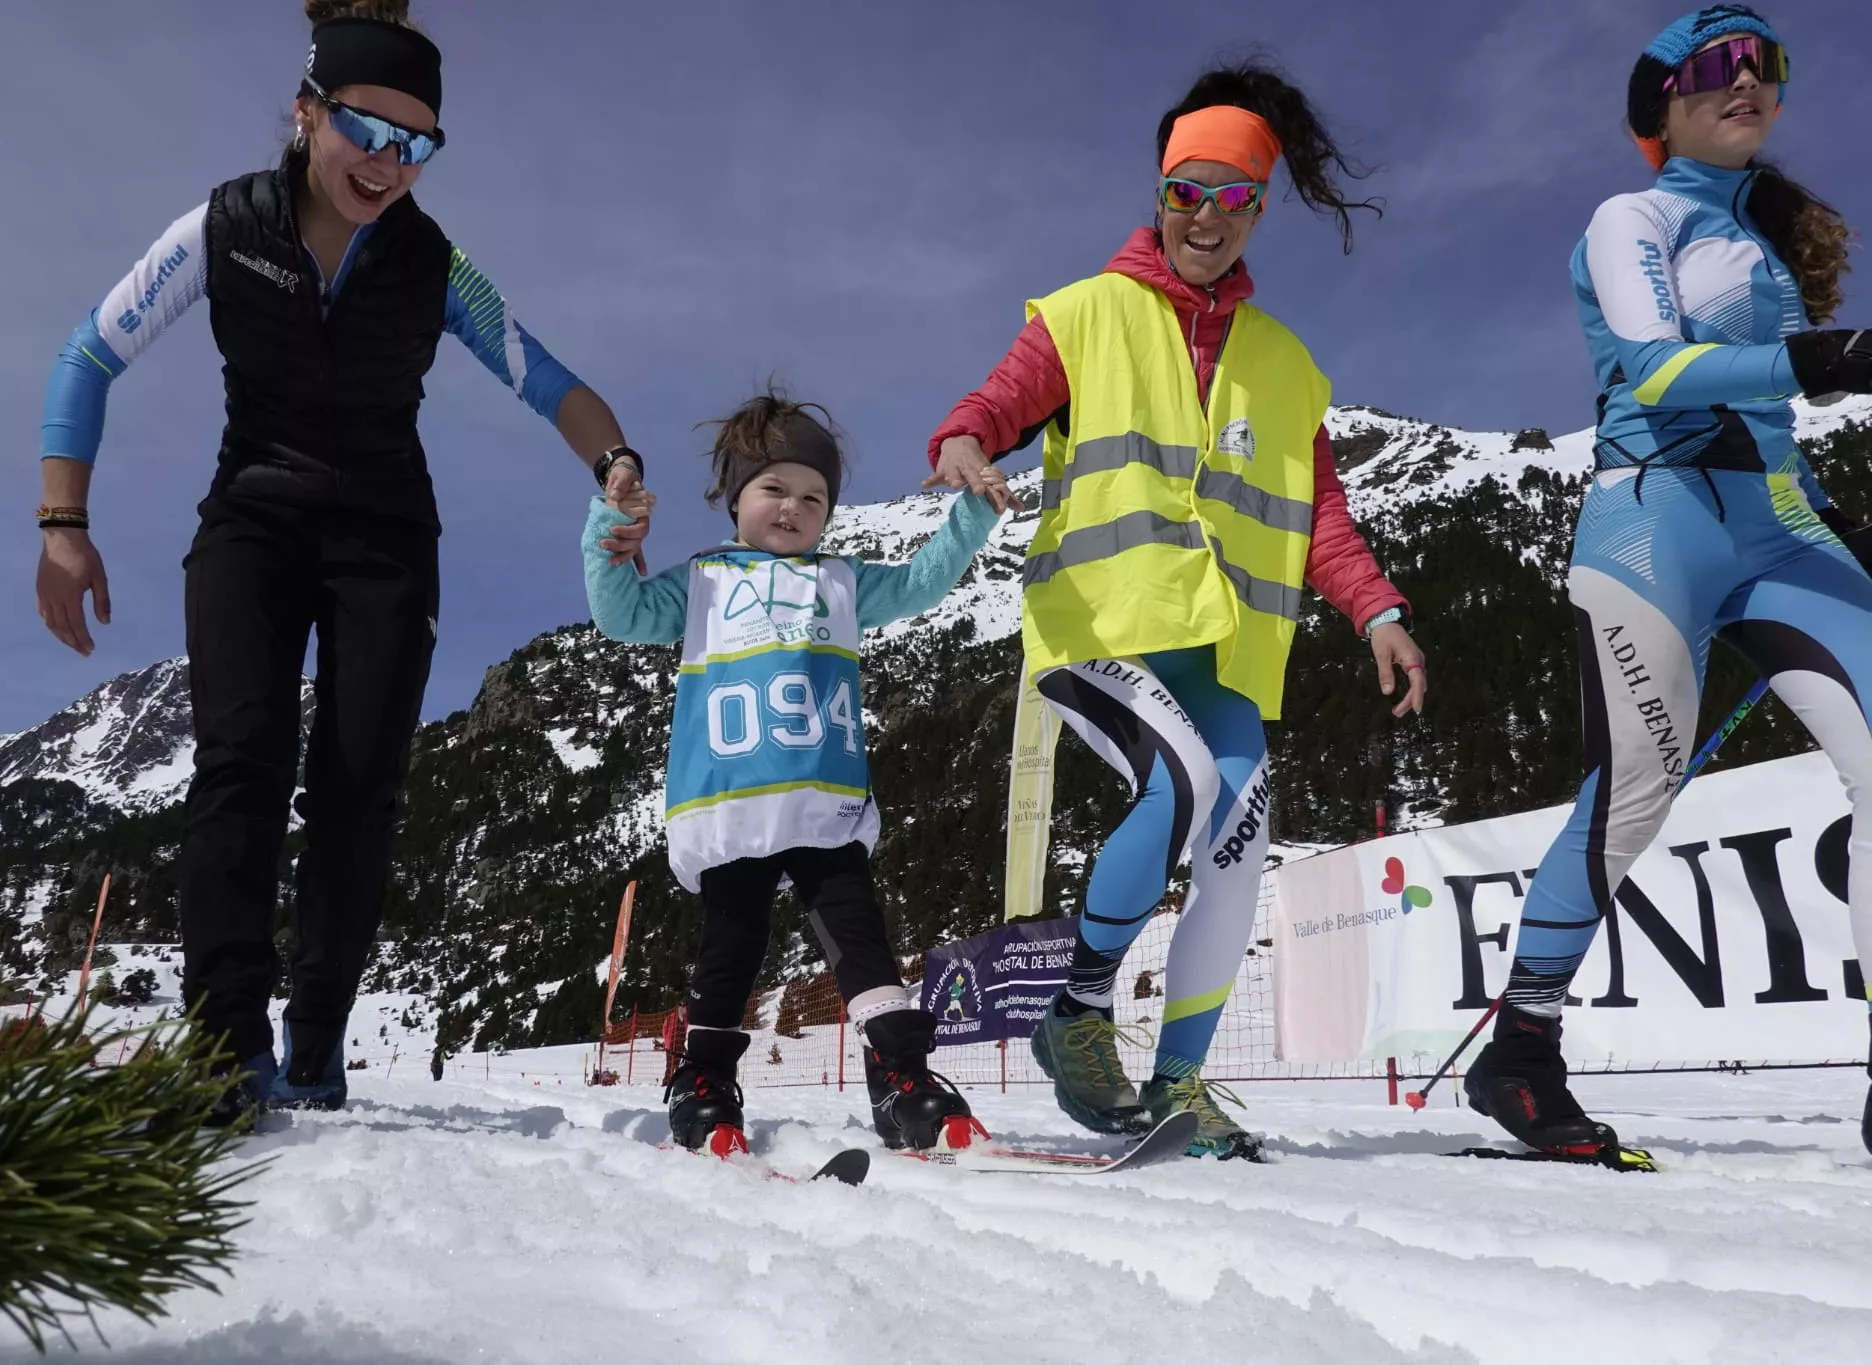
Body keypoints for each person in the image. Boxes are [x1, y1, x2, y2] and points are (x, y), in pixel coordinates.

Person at [34, 0, 650, 1123]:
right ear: (309, 110)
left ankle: (314, 1045)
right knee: (239, 767)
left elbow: (548, 379)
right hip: (253, 521)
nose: (389, 164)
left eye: (418, 147)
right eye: (369, 130)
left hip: (383, 537)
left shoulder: (433, 267)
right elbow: (90, 352)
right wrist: (60, 525)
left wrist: (613, 462)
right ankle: (225, 1048)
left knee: (359, 790)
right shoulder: (224, 227)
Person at [927, 61, 1424, 1159]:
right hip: (1097, 626)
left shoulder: (1285, 368)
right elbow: (996, 401)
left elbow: (1320, 516)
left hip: (1222, 649)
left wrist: (1374, 608)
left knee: (1240, 833)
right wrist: (963, 442)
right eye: (1185, 192)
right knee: (1185, 783)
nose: (1206, 217)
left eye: (1232, 198)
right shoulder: (1084, 313)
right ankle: (1078, 1013)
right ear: (1158, 195)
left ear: (1257, 210)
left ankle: (1179, 1085)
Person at [1469, 5, 1872, 1158]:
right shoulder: (1629, 215)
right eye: (1713, 64)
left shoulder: (1764, 244)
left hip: (1780, 526)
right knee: (1634, 792)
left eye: (1764, 64)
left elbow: (1773, 411)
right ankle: (1520, 1050)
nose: (1742, 80)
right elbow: (1655, 371)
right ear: (1660, 103)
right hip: (1654, 520)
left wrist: (1825, 500)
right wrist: (1821, 356)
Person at [584, 390, 1002, 1154]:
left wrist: (972, 512)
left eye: (814, 496)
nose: (793, 507)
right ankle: (704, 1077)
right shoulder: (703, 581)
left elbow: (920, 584)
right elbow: (622, 614)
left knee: (860, 939)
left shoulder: (840, 581)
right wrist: (610, 530)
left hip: (823, 805)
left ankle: (903, 1075)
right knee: (730, 946)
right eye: (774, 487)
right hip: (733, 807)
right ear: (734, 496)